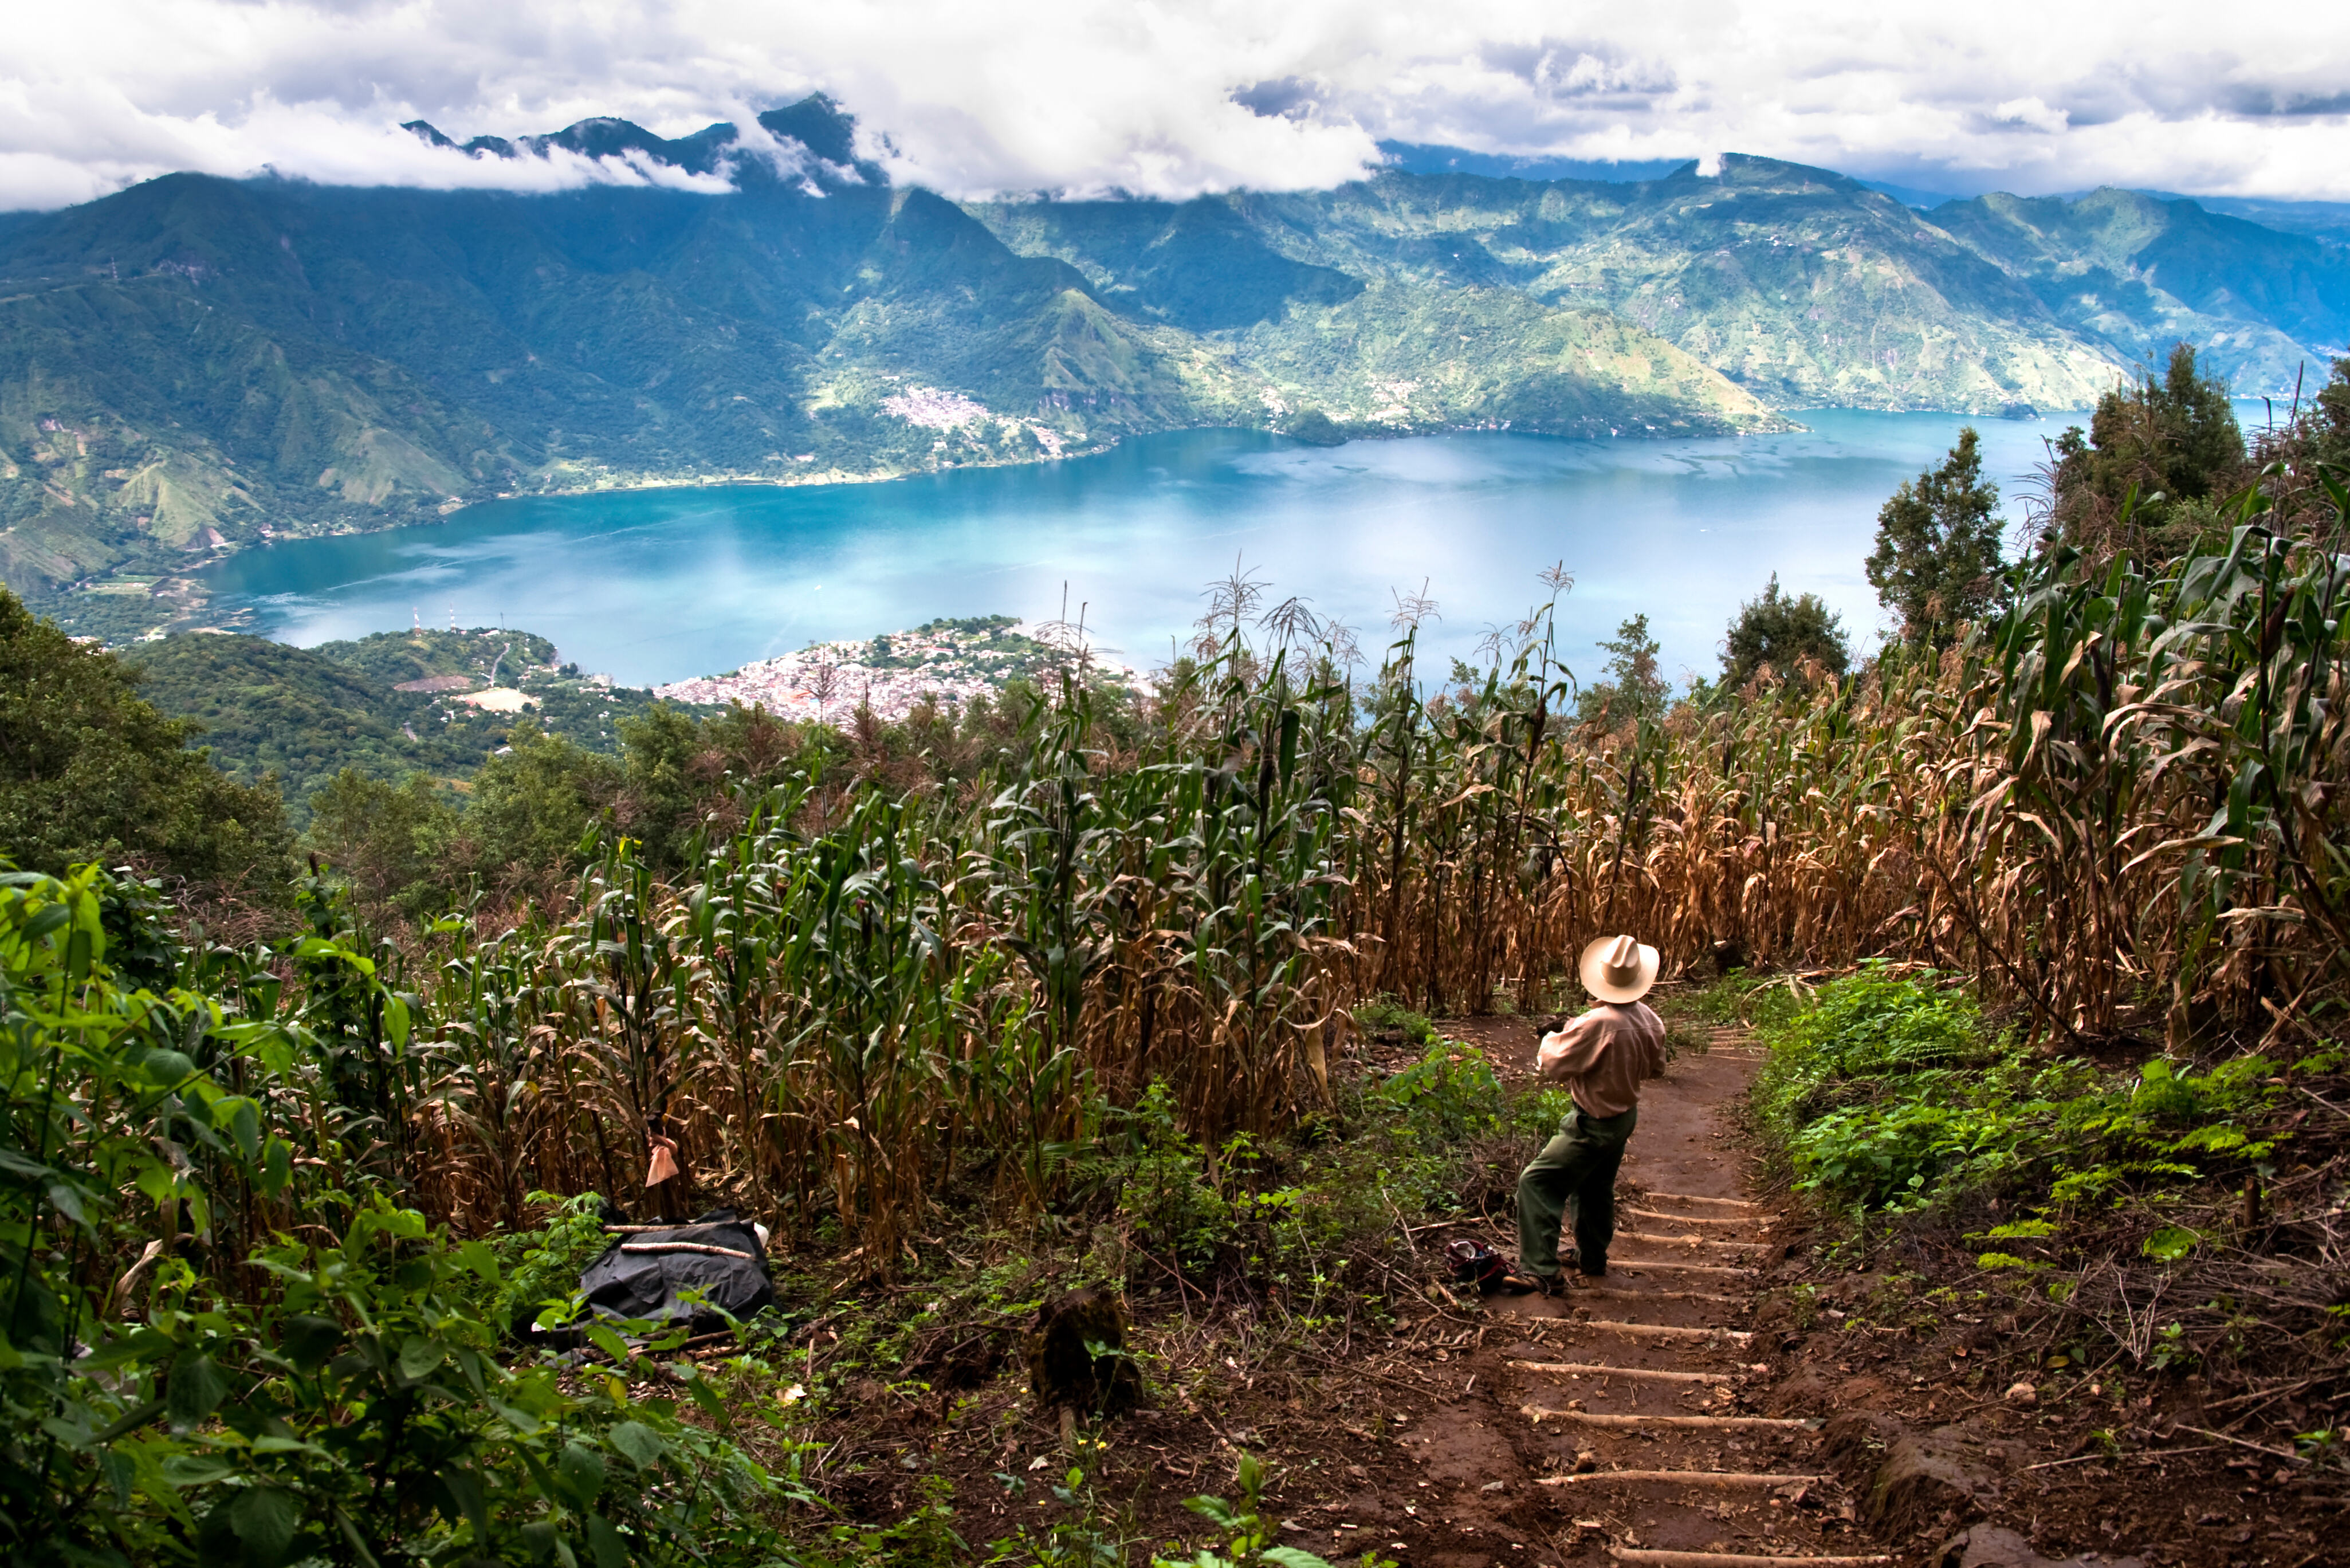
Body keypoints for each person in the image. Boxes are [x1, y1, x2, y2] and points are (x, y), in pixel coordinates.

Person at [1499, 933, 1668, 1294]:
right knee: (1595, 1187)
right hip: (1624, 1117)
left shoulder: (1595, 1024)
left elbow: (1554, 1064)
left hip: (1592, 1122)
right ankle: (1591, 1258)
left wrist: (1551, 1038)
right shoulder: (1650, 1019)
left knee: (1537, 1183)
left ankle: (1541, 1270)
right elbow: (1657, 1069)